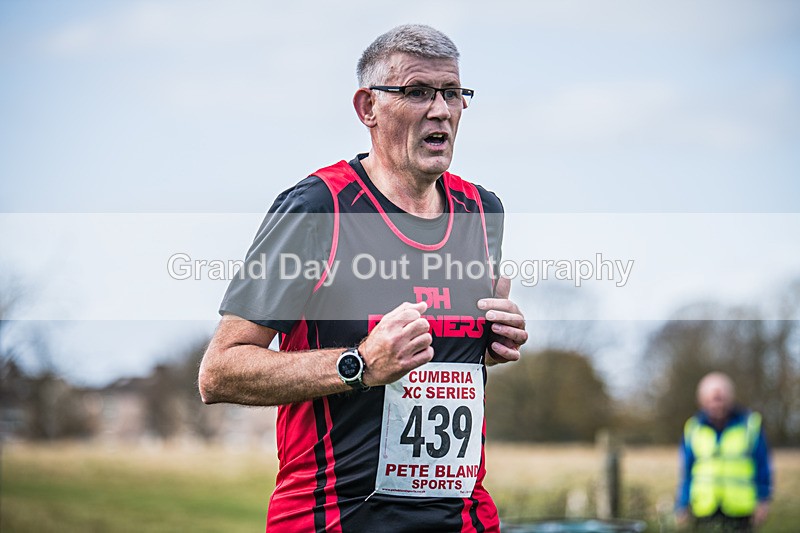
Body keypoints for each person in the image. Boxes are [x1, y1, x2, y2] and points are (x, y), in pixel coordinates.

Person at [198, 24, 527, 532]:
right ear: (367, 107)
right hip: (337, 518)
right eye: (417, 92)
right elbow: (219, 371)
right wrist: (360, 364)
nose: (440, 109)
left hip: (462, 520)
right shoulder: (317, 210)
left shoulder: (481, 212)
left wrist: (490, 344)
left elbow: (434, 359)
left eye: (453, 93)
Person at [675, 372, 773, 531]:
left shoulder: (750, 425)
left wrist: (763, 501)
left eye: (721, 398)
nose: (717, 404)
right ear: (702, 400)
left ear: (730, 397)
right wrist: (682, 503)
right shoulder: (693, 428)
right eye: (712, 399)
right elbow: (686, 471)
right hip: (703, 509)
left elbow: (763, 466)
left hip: (741, 511)